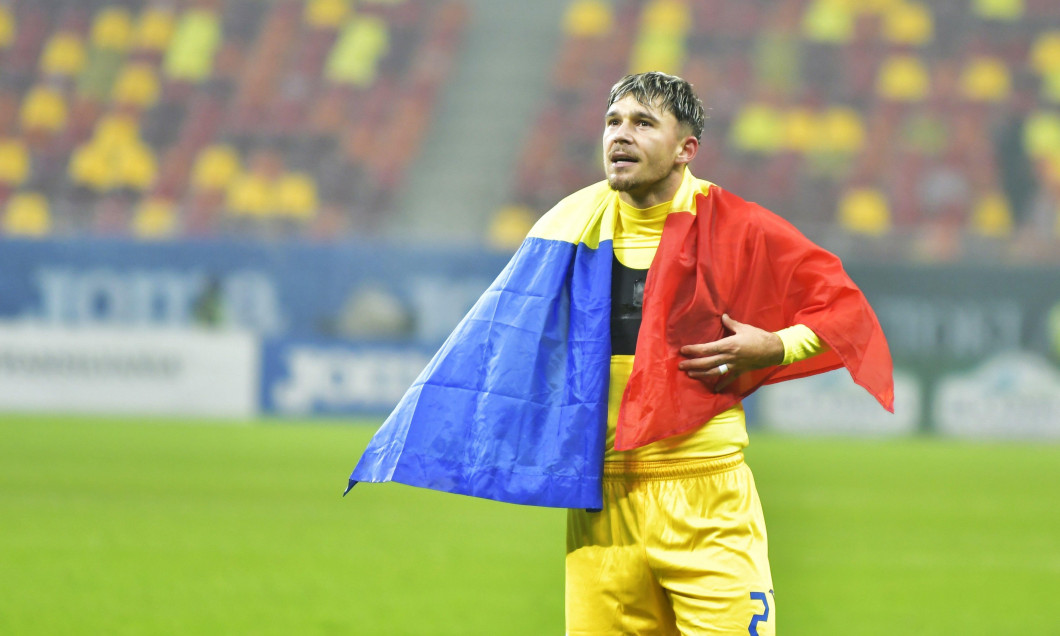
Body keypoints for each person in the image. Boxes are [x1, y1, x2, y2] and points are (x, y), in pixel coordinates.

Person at [348, 72, 893, 635]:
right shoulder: (567, 227)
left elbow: (845, 311)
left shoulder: (736, 227)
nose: (620, 136)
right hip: (601, 503)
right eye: (613, 122)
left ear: (687, 149)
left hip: (706, 498)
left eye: (642, 123)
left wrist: (775, 345)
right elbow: (502, 339)